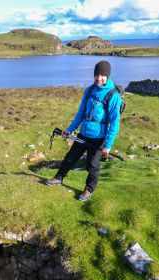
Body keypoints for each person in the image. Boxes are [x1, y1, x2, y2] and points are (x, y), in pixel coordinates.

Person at [45, 60, 122, 201]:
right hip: (83, 133)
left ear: (108, 76)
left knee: (92, 166)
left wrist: (108, 145)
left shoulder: (113, 96)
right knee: (70, 158)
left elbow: (115, 123)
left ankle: (88, 189)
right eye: (97, 75)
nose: (99, 78)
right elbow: (80, 114)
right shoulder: (89, 91)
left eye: (103, 75)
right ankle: (59, 178)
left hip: (99, 138)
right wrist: (69, 130)